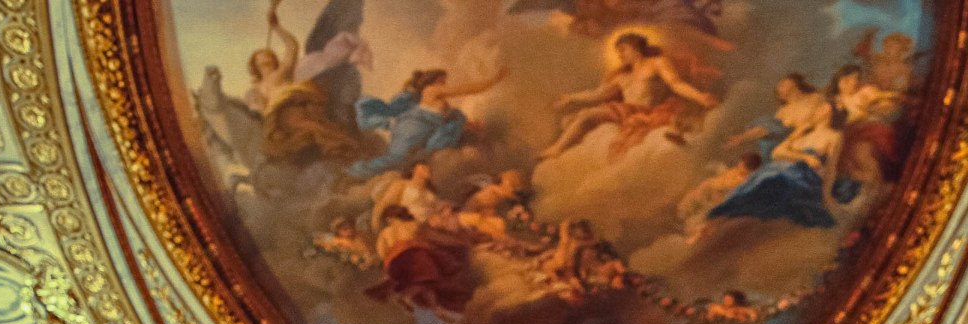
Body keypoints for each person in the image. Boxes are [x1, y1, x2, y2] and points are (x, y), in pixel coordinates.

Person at [543, 30, 719, 161]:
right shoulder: (622, 76)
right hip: (625, 112)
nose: (620, 55)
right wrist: (572, 98)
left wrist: (700, 97)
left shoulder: (656, 63)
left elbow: (676, 84)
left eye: (623, 50)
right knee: (584, 115)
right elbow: (598, 94)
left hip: (649, 113)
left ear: (635, 48)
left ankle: (558, 149)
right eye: (618, 51)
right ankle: (557, 149)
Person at [243, 0, 372, 165]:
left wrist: (277, 28)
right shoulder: (255, 89)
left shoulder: (281, 72)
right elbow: (258, 110)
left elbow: (292, 47)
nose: (265, 58)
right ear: (255, 64)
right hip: (276, 119)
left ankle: (350, 151)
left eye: (267, 55)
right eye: (260, 57)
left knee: (318, 127)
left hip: (295, 106)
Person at [708, 74, 840, 229]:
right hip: (794, 145)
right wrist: (743, 137)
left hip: (816, 142)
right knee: (756, 181)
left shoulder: (816, 98)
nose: (780, 86)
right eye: (779, 86)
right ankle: (722, 217)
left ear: (795, 82)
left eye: (783, 83)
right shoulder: (783, 112)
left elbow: (833, 111)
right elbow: (770, 129)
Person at [351, 66, 508, 181]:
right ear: (434, 81)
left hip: (424, 128)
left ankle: (360, 174)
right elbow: (466, 89)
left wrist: (472, 126)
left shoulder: (443, 103)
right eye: (442, 81)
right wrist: (494, 80)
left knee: (405, 161)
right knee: (396, 158)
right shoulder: (431, 90)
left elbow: (452, 120)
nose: (444, 84)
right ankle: (352, 174)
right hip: (414, 126)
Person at [368, 205, 476, 318]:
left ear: (390, 218)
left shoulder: (385, 232)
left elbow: (381, 252)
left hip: (397, 260)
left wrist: (389, 264)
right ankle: (415, 299)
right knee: (429, 276)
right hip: (414, 255)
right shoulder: (412, 225)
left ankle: (433, 307)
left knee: (426, 280)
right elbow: (423, 240)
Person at [830, 63, 904, 204]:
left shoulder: (864, 92)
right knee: (849, 158)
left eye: (855, 79)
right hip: (850, 131)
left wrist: (886, 100)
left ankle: (882, 180)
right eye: (848, 80)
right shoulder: (836, 101)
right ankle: (860, 186)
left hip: (868, 125)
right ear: (840, 81)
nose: (853, 83)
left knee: (878, 135)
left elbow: (888, 97)